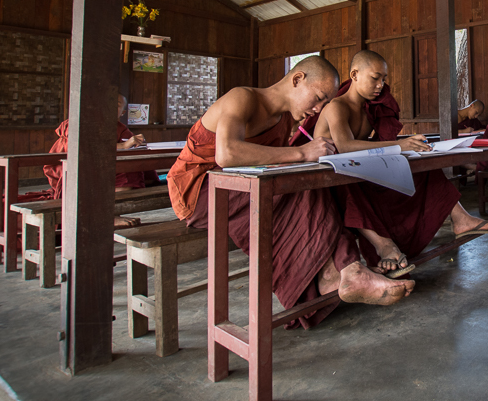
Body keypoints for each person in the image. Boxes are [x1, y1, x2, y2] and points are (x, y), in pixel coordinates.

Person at [167, 55, 414, 329]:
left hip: (240, 186)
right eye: (318, 98)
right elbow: (226, 154)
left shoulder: (283, 119)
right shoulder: (242, 98)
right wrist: (301, 152)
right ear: (298, 79)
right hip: (200, 191)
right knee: (302, 187)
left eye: (325, 103)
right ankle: (341, 272)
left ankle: (342, 272)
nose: (319, 108)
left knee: (316, 184)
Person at [301, 50, 488, 277]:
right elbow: (346, 146)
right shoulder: (336, 106)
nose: (380, 85)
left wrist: (408, 144)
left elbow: (372, 145)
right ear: (355, 74)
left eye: (384, 80)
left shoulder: (369, 110)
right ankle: (384, 245)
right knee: (350, 187)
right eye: (375, 78)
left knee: (422, 169)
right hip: (334, 178)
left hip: (357, 170)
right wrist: (401, 146)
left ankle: (461, 220)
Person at [42, 94, 147, 228]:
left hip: (103, 168)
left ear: (122, 113)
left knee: (130, 171)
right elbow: (82, 146)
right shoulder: (77, 122)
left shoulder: (120, 129)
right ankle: (105, 217)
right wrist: (122, 146)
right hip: (73, 167)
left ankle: (113, 213)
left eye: (117, 105)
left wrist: (136, 143)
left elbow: (129, 145)